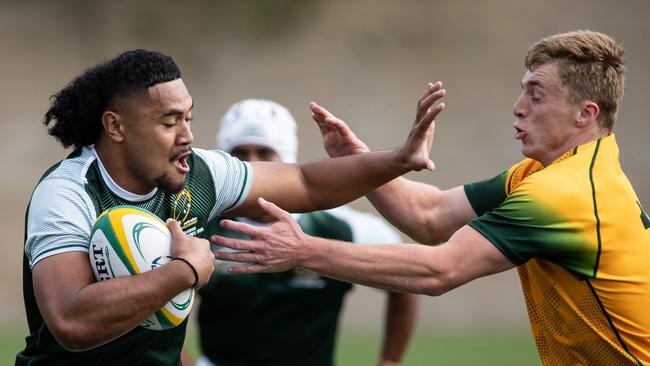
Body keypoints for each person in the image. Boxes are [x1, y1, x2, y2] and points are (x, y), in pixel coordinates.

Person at [213, 30, 650, 364]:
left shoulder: (563, 193)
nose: (518, 106)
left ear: (585, 113)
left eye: (535, 95)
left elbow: (439, 271)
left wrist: (303, 250)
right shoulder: (547, 172)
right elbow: (431, 217)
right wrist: (363, 162)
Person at [17, 50, 445, 366]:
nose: (187, 135)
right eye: (169, 122)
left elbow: (306, 182)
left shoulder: (200, 174)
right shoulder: (68, 193)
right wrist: (184, 272)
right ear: (115, 126)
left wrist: (397, 159)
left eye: (189, 117)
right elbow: (69, 321)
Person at [192, 99, 417, 366]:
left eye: (264, 153)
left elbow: (406, 278)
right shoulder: (198, 226)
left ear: (287, 159)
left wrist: (390, 360)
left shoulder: (339, 228)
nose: (252, 165)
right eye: (240, 155)